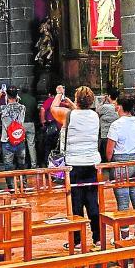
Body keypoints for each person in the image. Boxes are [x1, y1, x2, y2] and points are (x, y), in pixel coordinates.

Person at [55, 85, 102, 251]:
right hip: (91, 163)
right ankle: (98, 238)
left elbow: (54, 109)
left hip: (74, 163)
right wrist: (74, 106)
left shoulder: (70, 115)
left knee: (76, 202)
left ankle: (78, 240)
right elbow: (81, 114)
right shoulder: (95, 116)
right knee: (92, 202)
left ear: (76, 100)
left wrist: (59, 94)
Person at [106, 95, 135, 241]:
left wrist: (110, 162)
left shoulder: (116, 125)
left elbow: (109, 150)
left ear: (122, 107)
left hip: (121, 162)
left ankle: (124, 236)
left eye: (117, 105)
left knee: (123, 200)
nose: (116, 107)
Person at [0, 83, 29, 171]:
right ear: (17, 95)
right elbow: (17, 103)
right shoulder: (22, 108)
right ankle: (23, 183)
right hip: (20, 139)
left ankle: (11, 185)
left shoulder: (3, 109)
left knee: (8, 166)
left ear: (7, 95)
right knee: (21, 165)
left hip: (7, 141)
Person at [96, 86, 119, 163]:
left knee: (105, 156)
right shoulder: (119, 106)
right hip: (116, 136)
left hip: (105, 135)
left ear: (109, 96)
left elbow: (97, 110)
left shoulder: (105, 107)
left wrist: (102, 101)